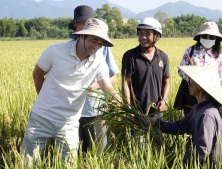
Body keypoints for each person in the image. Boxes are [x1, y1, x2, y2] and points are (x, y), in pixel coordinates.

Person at [21, 18, 120, 165]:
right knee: (28, 162)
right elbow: (37, 74)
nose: (96, 46)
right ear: (81, 35)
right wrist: (44, 99)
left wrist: (117, 99)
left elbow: (107, 86)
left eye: (100, 43)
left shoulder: (99, 61)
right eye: (94, 40)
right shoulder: (55, 51)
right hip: (41, 118)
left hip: (69, 123)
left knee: (68, 163)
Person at [146, 66, 222, 168]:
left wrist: (178, 161)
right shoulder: (197, 108)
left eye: (191, 80)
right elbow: (178, 127)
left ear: (200, 86)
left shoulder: (207, 114)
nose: (188, 83)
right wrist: (154, 122)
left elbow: (203, 150)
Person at [69, 5, 119, 155]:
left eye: (89, 22)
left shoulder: (102, 47)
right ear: (75, 25)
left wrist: (94, 86)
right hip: (72, 111)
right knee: (76, 151)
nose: (86, 25)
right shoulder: (66, 48)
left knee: (98, 150)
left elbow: (113, 77)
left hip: (96, 108)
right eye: (82, 22)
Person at [174, 21, 222, 116]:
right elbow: (181, 70)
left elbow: (220, 76)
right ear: (200, 37)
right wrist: (194, 80)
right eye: (205, 36)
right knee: (190, 118)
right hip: (192, 92)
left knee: (206, 117)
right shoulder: (190, 51)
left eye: (211, 37)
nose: (208, 39)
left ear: (216, 39)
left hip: (210, 94)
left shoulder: (218, 56)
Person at [121, 17, 170, 116]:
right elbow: (126, 82)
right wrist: (129, 107)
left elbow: (166, 82)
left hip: (156, 109)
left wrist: (164, 100)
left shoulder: (162, 56)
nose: (143, 37)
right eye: (141, 33)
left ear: (156, 36)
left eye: (148, 34)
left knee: (157, 131)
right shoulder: (130, 56)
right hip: (136, 111)